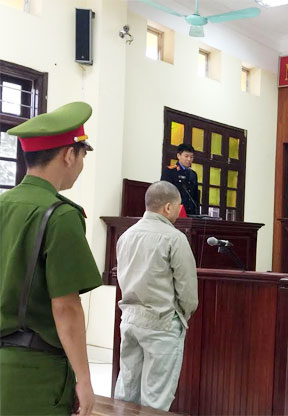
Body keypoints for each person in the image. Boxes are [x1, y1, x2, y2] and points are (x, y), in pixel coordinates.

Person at [0, 102, 102, 415]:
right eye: (82, 154)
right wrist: (84, 379)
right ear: (69, 155)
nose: (81, 163)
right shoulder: (60, 215)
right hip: (36, 375)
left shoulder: (3, 205)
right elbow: (66, 307)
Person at [114, 181, 198, 411]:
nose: (179, 213)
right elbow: (187, 290)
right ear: (168, 207)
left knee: (126, 392)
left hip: (129, 319)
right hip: (162, 323)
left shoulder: (126, 235)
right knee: (156, 399)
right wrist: (183, 315)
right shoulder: (174, 238)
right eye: (179, 207)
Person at [161, 143, 200, 215]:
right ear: (178, 156)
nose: (189, 159)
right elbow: (164, 194)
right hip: (175, 212)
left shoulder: (193, 174)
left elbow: (195, 196)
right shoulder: (170, 171)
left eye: (191, 157)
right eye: (186, 156)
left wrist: (197, 212)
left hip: (190, 213)